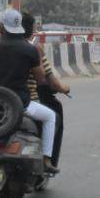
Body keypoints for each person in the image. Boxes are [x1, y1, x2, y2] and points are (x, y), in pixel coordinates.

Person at [0, 9, 58, 173]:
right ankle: (46, 160)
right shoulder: (30, 50)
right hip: (22, 104)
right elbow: (40, 78)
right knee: (51, 117)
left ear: (2, 26)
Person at [21, 12, 70, 169]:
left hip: (0, 99)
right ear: (32, 29)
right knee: (50, 117)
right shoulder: (33, 49)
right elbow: (43, 77)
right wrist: (63, 88)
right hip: (25, 100)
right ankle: (46, 160)